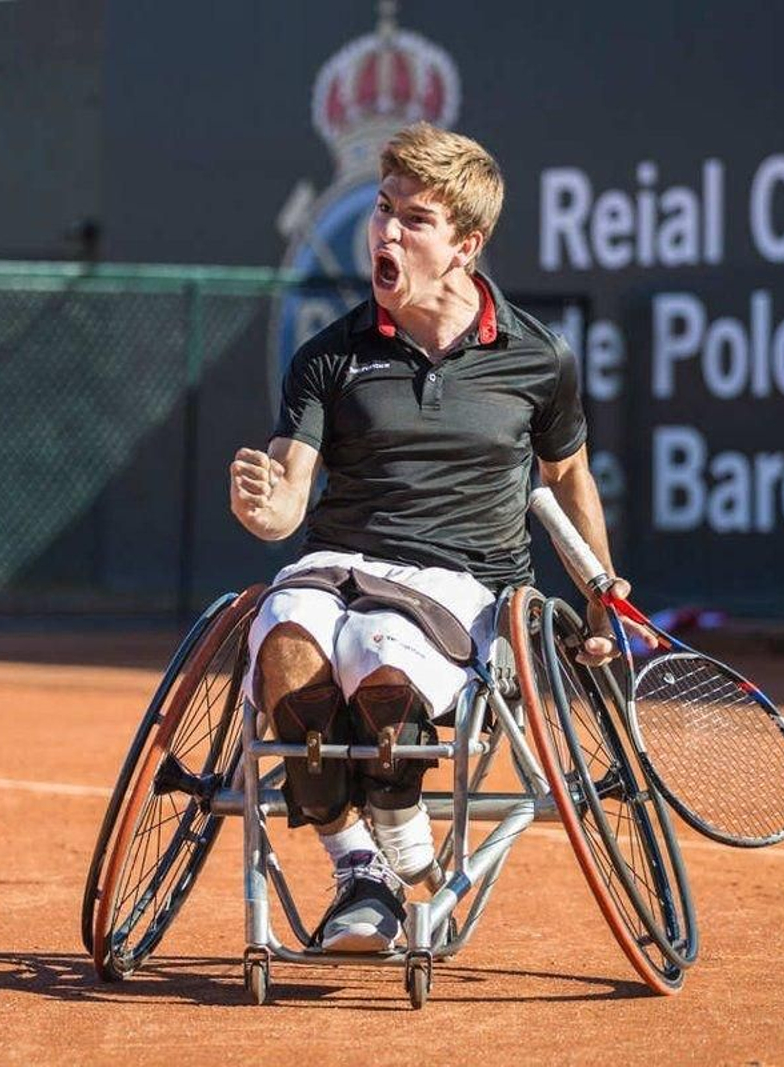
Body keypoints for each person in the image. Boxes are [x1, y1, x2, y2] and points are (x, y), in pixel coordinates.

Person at [228, 122, 644, 953]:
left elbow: (568, 479)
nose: (385, 230)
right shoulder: (327, 356)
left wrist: (600, 596)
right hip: (337, 561)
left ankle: (393, 799)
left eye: (413, 219)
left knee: (377, 656)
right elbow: (288, 498)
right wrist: (263, 509)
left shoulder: (537, 357)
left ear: (466, 245)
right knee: (283, 641)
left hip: (463, 581)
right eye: (383, 209)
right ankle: (360, 869)